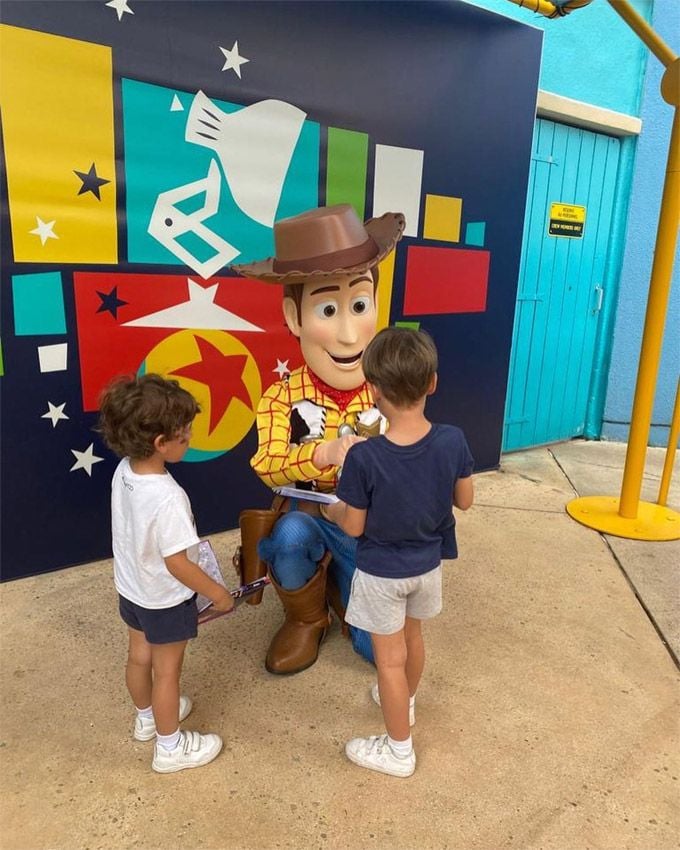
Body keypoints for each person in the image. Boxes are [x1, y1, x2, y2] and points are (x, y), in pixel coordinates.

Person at [231, 204, 405, 675]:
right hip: (311, 516)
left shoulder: (392, 390)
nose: (349, 333)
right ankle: (307, 617)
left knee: (377, 652)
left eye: (360, 305)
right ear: (294, 317)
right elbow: (266, 462)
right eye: (328, 309)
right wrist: (323, 454)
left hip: (368, 535)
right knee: (288, 538)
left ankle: (342, 588)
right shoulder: (280, 397)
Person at [322, 327, 474, 777]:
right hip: (427, 567)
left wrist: (332, 513)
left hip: (382, 572)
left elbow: (353, 524)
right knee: (414, 641)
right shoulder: (452, 440)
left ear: (373, 390)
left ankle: (398, 750)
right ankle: (403, 705)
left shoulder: (364, 458)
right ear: (432, 383)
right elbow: (464, 500)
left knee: (388, 661)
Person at [98, 374, 234, 773]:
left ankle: (146, 719)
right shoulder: (169, 498)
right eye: (185, 436)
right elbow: (178, 563)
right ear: (161, 443)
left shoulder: (124, 471)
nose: (189, 440)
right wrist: (220, 594)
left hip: (132, 591)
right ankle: (170, 747)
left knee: (139, 657)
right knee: (167, 672)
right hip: (164, 599)